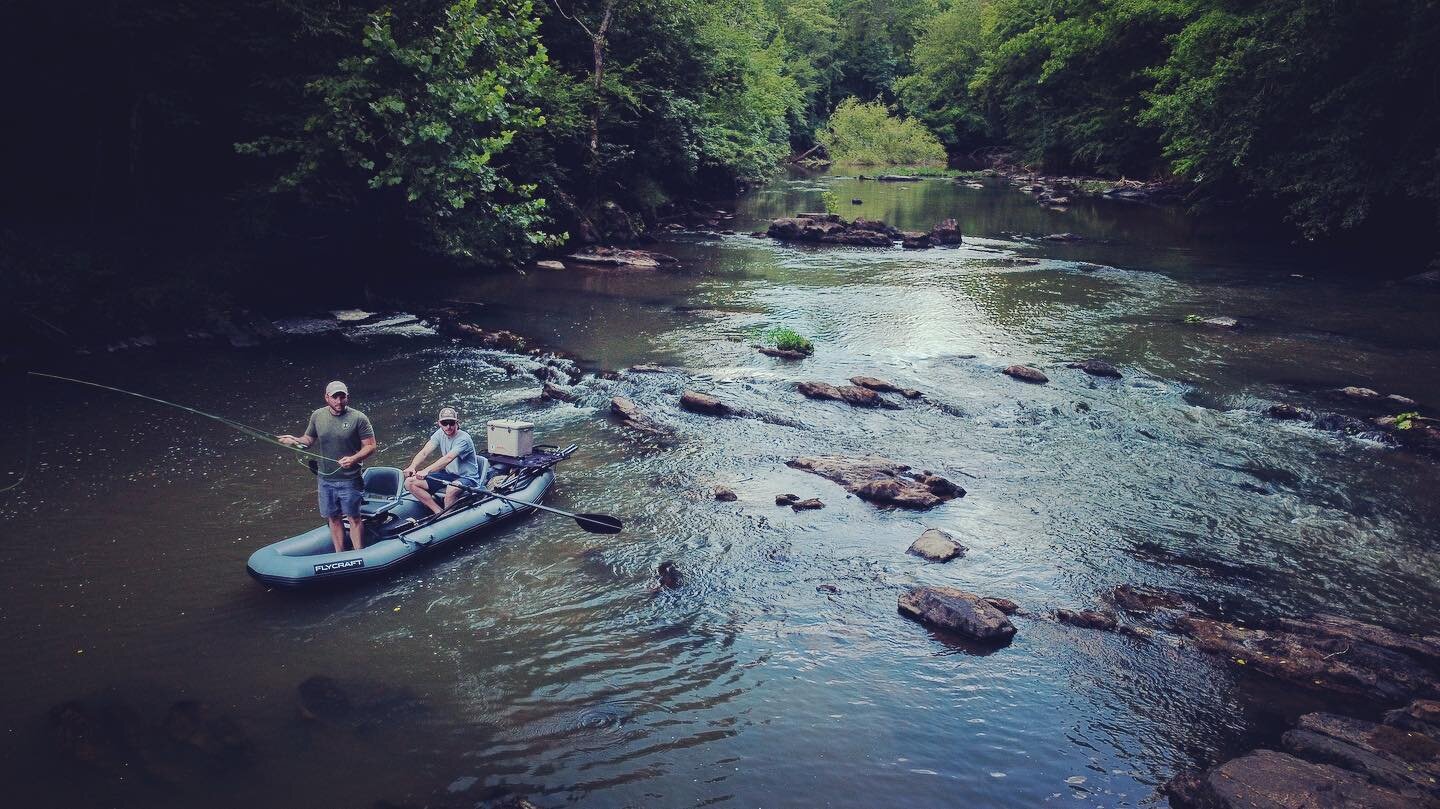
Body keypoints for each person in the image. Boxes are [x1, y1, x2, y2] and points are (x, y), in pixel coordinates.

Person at [277, 381, 377, 552]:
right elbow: (307, 441)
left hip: (350, 479)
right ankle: (340, 554)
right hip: (325, 479)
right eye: (335, 397)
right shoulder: (317, 416)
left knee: (354, 518)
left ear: (347, 397)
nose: (339, 401)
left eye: (342, 397)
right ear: (326, 398)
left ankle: (359, 554)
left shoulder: (359, 418)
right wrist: (294, 442)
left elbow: (371, 446)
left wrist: (353, 459)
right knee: (333, 517)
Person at [403, 406, 481, 515]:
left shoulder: (464, 439)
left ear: (457, 423)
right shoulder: (439, 433)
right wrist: (412, 466)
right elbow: (425, 451)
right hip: (448, 474)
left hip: (467, 477)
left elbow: (448, 458)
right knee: (409, 482)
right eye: (445, 423)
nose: (448, 427)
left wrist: (426, 471)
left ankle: (447, 516)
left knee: (451, 489)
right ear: (439, 423)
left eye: (451, 423)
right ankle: (438, 512)